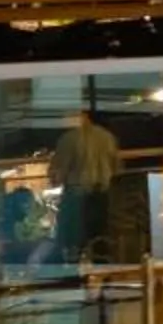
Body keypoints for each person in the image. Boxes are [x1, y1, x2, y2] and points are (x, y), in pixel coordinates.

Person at [47, 107, 121, 263]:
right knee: (100, 241)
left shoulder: (68, 139)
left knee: (72, 243)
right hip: (102, 195)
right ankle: (105, 278)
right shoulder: (107, 137)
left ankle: (74, 279)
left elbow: (57, 173)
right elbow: (117, 167)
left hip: (76, 196)